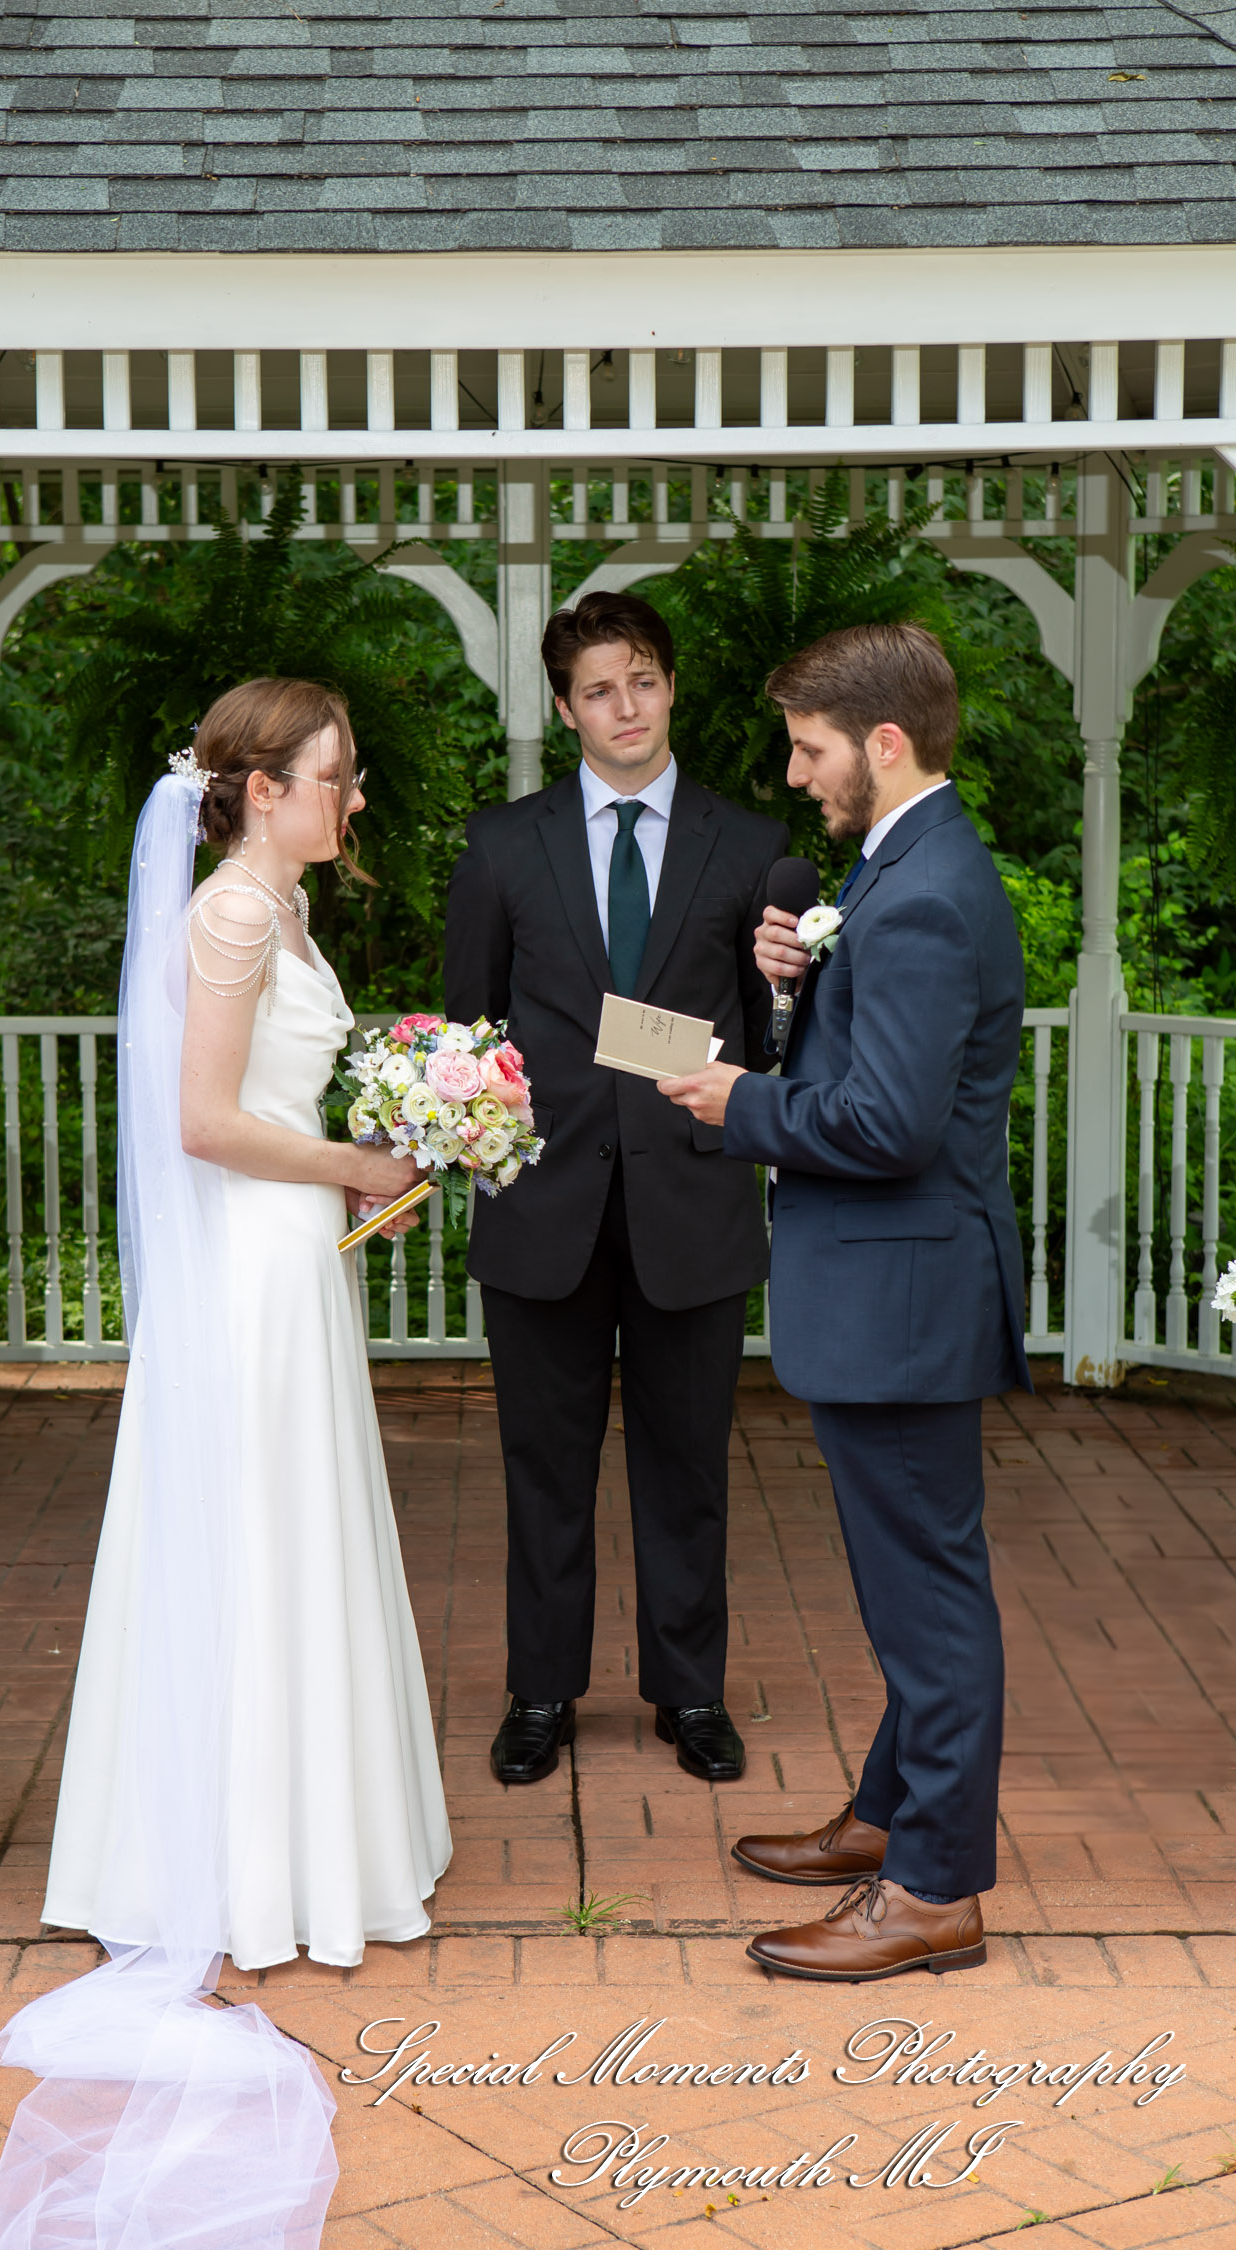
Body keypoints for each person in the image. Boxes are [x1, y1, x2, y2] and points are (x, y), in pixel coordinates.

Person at [0, 681, 451, 2250]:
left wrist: (393, 1148)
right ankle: (241, 1869)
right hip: (251, 1265)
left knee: (295, 1538)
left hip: (291, 1259)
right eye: (334, 778)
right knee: (253, 1542)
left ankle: (301, 1840)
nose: (352, 797)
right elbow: (202, 1121)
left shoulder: (282, 907)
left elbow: (269, 1096)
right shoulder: (234, 920)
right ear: (258, 790)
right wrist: (358, 1160)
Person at [658, 622, 1029, 1983]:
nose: (801, 777)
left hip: (908, 1298)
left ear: (884, 743)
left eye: (812, 750)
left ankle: (934, 1888)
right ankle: (889, 1817)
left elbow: (888, 1124)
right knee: (907, 1583)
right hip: (889, 1292)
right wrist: (788, 994)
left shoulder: (927, 891)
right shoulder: (900, 869)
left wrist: (738, 1100)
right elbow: (871, 1065)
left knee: (929, 1595)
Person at [444, 590, 789, 1788]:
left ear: (672, 687)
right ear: (563, 709)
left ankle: (690, 1692)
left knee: (689, 1466)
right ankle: (541, 1691)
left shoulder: (749, 848)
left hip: (691, 1206)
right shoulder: (501, 846)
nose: (625, 706)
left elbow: (774, 1042)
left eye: (642, 679)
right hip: (544, 1210)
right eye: (599, 688)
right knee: (543, 1467)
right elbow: (470, 1034)